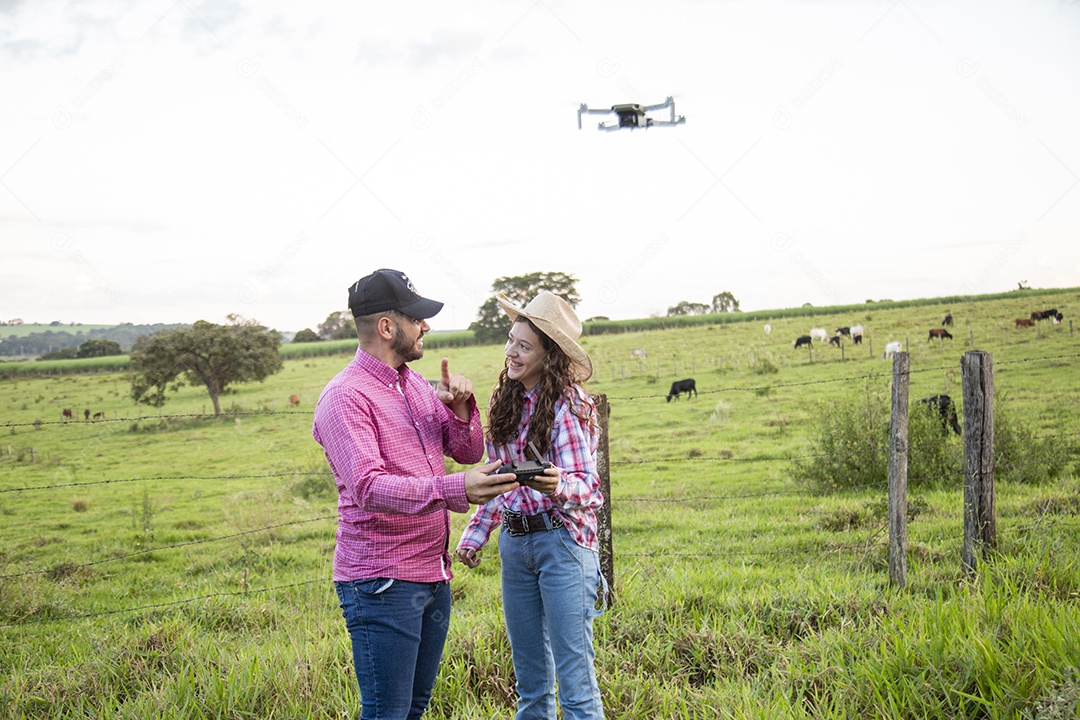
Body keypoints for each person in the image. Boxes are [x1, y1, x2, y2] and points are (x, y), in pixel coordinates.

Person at [312, 268, 520, 720]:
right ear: (388, 328)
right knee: (387, 711)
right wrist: (454, 490)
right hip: (382, 581)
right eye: (417, 318)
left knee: (412, 707)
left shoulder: (416, 387)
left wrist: (462, 408)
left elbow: (467, 451)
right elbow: (368, 487)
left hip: (431, 574)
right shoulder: (346, 398)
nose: (425, 326)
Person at [456, 290, 607, 719]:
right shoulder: (505, 402)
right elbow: (497, 476)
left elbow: (590, 490)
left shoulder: (568, 404)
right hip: (516, 545)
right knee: (531, 684)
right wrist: (476, 534)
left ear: (549, 355)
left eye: (525, 346)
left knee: (575, 684)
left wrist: (558, 485)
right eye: (510, 340)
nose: (512, 352)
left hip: (562, 545)